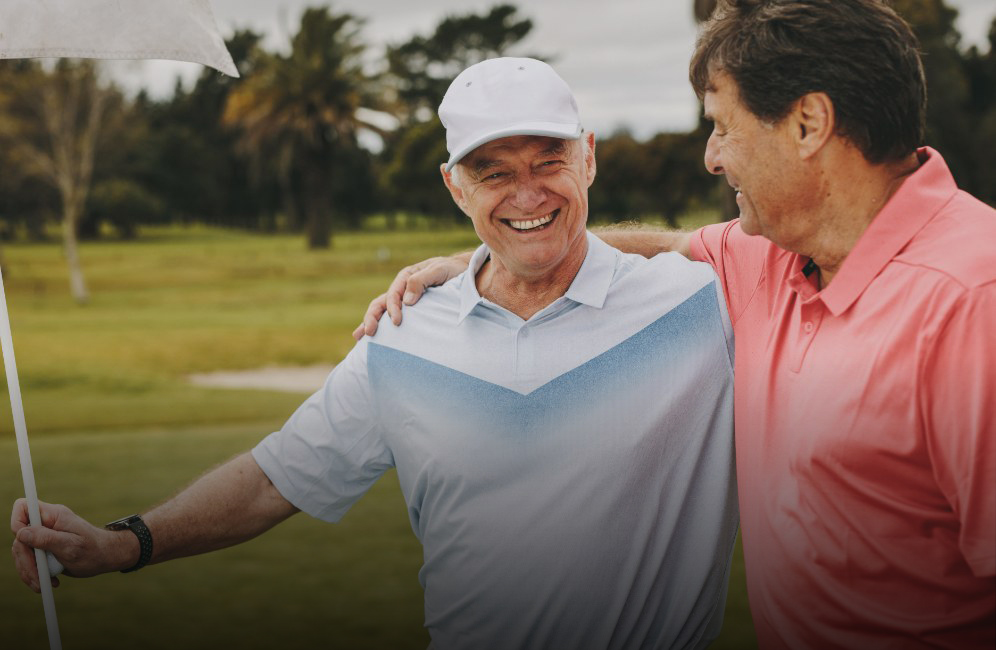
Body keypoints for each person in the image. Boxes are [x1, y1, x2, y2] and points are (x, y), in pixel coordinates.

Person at [12, 57, 739, 649]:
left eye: (549, 159)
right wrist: (122, 544)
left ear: (588, 160)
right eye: (493, 172)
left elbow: (773, 236)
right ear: (456, 187)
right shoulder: (405, 333)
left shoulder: (699, 304)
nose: (527, 192)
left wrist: (476, 255)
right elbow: (275, 480)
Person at [356, 1, 996, 648]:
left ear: (808, 123)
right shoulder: (769, 254)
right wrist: (483, 260)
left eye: (723, 126)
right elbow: (663, 244)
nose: (712, 157)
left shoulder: (975, 305)